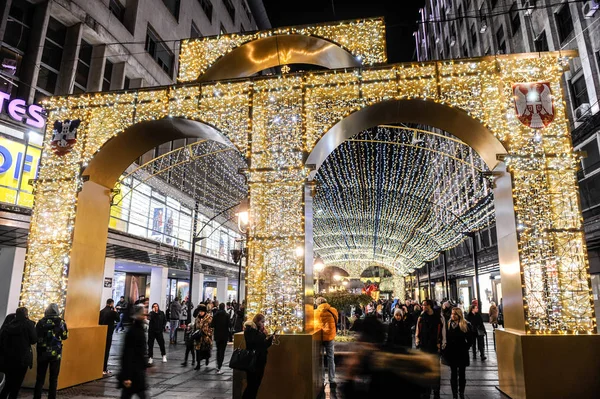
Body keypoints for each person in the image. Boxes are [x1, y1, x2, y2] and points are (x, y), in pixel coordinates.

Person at [343, 315, 438, 398]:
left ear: (365, 341)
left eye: (358, 340)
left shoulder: (379, 365)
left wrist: (349, 377)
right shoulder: (401, 358)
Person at [0, 307, 37, 399]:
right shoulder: (28, 324)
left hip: (8, 358)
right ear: (26, 315)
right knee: (17, 384)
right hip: (22, 359)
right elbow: (33, 340)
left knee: (8, 383)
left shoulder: (7, 325)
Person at [34, 303, 68, 399]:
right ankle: (51, 397)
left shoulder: (41, 322)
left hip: (42, 352)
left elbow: (35, 336)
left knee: (40, 377)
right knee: (53, 378)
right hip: (55, 354)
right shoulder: (61, 322)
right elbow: (65, 336)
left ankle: (37, 397)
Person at [415, 299, 445, 399]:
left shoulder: (438, 317)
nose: (423, 307)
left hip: (434, 347)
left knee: (435, 371)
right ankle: (426, 392)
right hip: (424, 347)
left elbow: (443, 331)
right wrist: (417, 341)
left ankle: (436, 392)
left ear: (429, 306)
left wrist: (442, 344)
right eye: (422, 305)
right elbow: (417, 330)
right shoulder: (421, 317)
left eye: (424, 305)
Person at [118, 305, 149, 399]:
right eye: (143, 314)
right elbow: (127, 354)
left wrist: (147, 365)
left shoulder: (139, 329)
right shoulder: (134, 331)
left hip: (137, 373)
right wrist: (127, 376)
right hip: (133, 373)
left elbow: (141, 351)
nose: (145, 316)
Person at [442, 307, 473, 399]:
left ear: (459, 315)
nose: (453, 316)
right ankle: (455, 394)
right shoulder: (448, 324)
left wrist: (466, 347)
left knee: (462, 373)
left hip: (461, 352)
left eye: (455, 314)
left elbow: (470, 339)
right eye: (452, 314)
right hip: (452, 353)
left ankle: (461, 392)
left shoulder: (465, 325)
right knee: (453, 373)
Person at [243, 314, 276, 399]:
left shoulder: (256, 330)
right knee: (252, 385)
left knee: (255, 385)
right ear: (257, 322)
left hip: (258, 360)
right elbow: (256, 343)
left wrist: (270, 339)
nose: (263, 324)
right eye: (262, 322)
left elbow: (262, 345)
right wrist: (264, 335)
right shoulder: (251, 330)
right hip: (254, 361)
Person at [314, 297, 338, 388]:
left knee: (320, 360)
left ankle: (322, 379)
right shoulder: (333, 310)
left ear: (317, 304)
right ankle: (332, 380)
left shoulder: (314, 312)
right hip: (330, 337)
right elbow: (336, 321)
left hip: (319, 338)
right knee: (330, 358)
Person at [99, 298, 120, 375]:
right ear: (112, 304)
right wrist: (115, 311)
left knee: (101, 351)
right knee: (107, 351)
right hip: (109, 333)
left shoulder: (101, 311)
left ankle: (100, 367)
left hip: (101, 333)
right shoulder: (112, 312)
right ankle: (104, 368)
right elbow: (118, 319)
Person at [193, 304, 213, 371]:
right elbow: (195, 326)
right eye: (200, 311)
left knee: (206, 350)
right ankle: (198, 364)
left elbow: (211, 327)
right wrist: (194, 333)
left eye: (202, 311)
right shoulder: (197, 318)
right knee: (198, 351)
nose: (200, 313)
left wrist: (208, 333)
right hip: (198, 337)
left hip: (206, 337)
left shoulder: (209, 318)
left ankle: (207, 359)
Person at [211, 303, 229, 374]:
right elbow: (229, 325)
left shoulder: (215, 315)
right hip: (224, 336)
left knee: (218, 350)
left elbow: (212, 325)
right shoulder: (227, 315)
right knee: (222, 351)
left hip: (217, 335)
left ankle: (217, 364)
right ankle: (220, 365)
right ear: (224, 307)